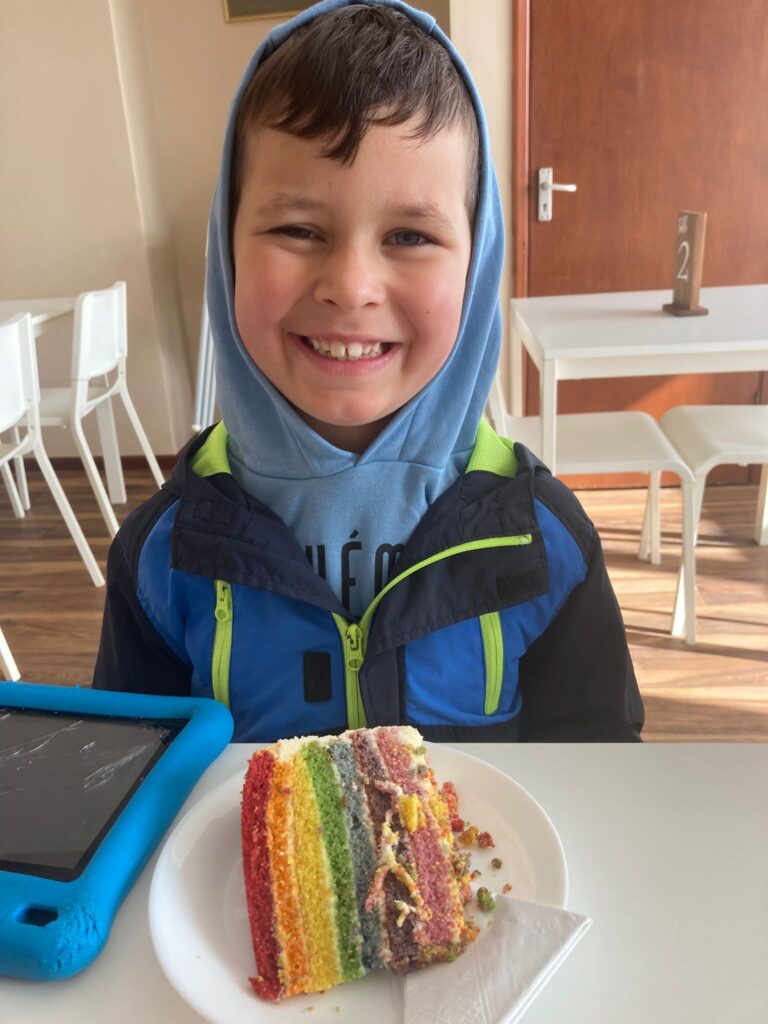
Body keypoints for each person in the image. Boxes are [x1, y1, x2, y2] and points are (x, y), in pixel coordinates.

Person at [93, 0, 644, 742]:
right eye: (297, 229)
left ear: (477, 264)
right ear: (226, 250)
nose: (351, 287)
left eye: (410, 236)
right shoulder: (162, 556)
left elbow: (605, 766)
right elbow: (131, 773)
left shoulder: (544, 542)